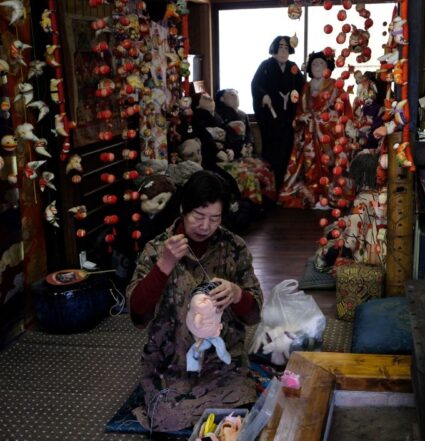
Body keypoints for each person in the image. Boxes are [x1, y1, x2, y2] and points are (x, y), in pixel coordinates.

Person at [125, 170, 263, 432]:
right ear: (182, 209)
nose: (205, 226)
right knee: (167, 419)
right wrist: (163, 266)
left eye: (214, 219)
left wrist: (236, 294)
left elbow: (253, 315)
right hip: (171, 366)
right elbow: (138, 316)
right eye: (198, 217)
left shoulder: (234, 248)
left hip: (222, 366)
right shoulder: (158, 249)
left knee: (241, 410)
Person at [278, 51, 354, 209]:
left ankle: (331, 193)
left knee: (331, 163)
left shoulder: (336, 85)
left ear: (328, 67)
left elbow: (345, 109)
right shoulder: (305, 87)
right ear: (310, 69)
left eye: (321, 64)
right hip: (310, 132)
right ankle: (314, 194)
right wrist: (301, 118)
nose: (317, 66)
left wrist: (335, 119)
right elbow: (299, 111)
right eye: (314, 64)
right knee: (310, 164)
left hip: (330, 131)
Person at [251, 35, 305, 189]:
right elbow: (256, 84)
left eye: (286, 48)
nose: (283, 50)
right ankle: (271, 187)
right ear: (274, 48)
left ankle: (286, 187)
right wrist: (263, 96)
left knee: (289, 151)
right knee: (272, 152)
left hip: (289, 119)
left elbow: (303, 87)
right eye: (280, 47)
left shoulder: (293, 67)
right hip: (271, 119)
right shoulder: (266, 65)